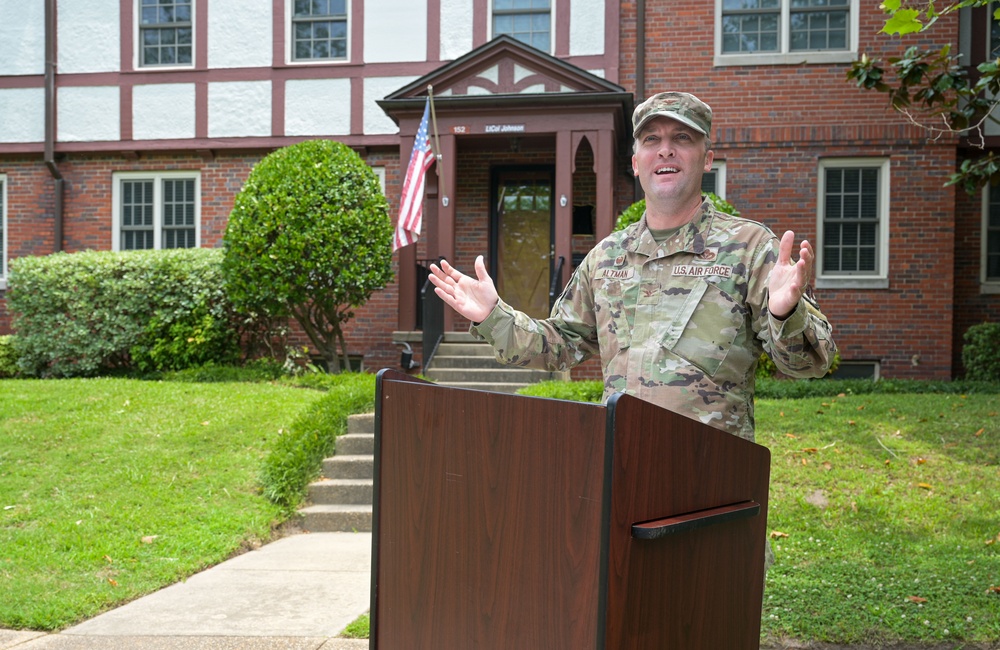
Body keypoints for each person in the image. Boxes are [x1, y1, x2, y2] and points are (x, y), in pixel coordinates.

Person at [429, 91, 837, 443]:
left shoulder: (749, 248)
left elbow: (808, 365)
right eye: (651, 139)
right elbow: (560, 344)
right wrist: (492, 316)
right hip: (624, 470)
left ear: (707, 159)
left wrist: (785, 312)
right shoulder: (607, 257)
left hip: (714, 479)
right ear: (636, 163)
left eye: (683, 138)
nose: (665, 149)